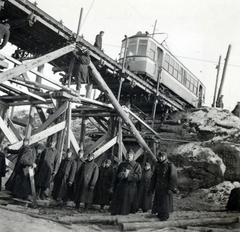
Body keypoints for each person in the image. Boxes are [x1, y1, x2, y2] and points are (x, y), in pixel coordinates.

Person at [109, 149, 142, 215]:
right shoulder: (122, 164)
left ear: (133, 156)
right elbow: (116, 175)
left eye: (130, 155)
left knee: (127, 206)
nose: (129, 156)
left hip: (130, 188)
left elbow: (138, 176)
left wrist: (128, 176)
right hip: (121, 187)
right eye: (127, 155)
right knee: (118, 204)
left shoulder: (137, 165)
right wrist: (119, 175)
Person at [149, 151, 178, 221]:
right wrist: (151, 188)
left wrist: (170, 188)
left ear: (165, 157)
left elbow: (173, 177)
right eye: (159, 157)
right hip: (159, 188)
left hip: (166, 188)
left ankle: (164, 216)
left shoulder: (170, 165)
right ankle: (159, 213)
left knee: (165, 202)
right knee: (159, 201)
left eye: (162, 157)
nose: (161, 158)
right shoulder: (157, 166)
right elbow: (154, 178)